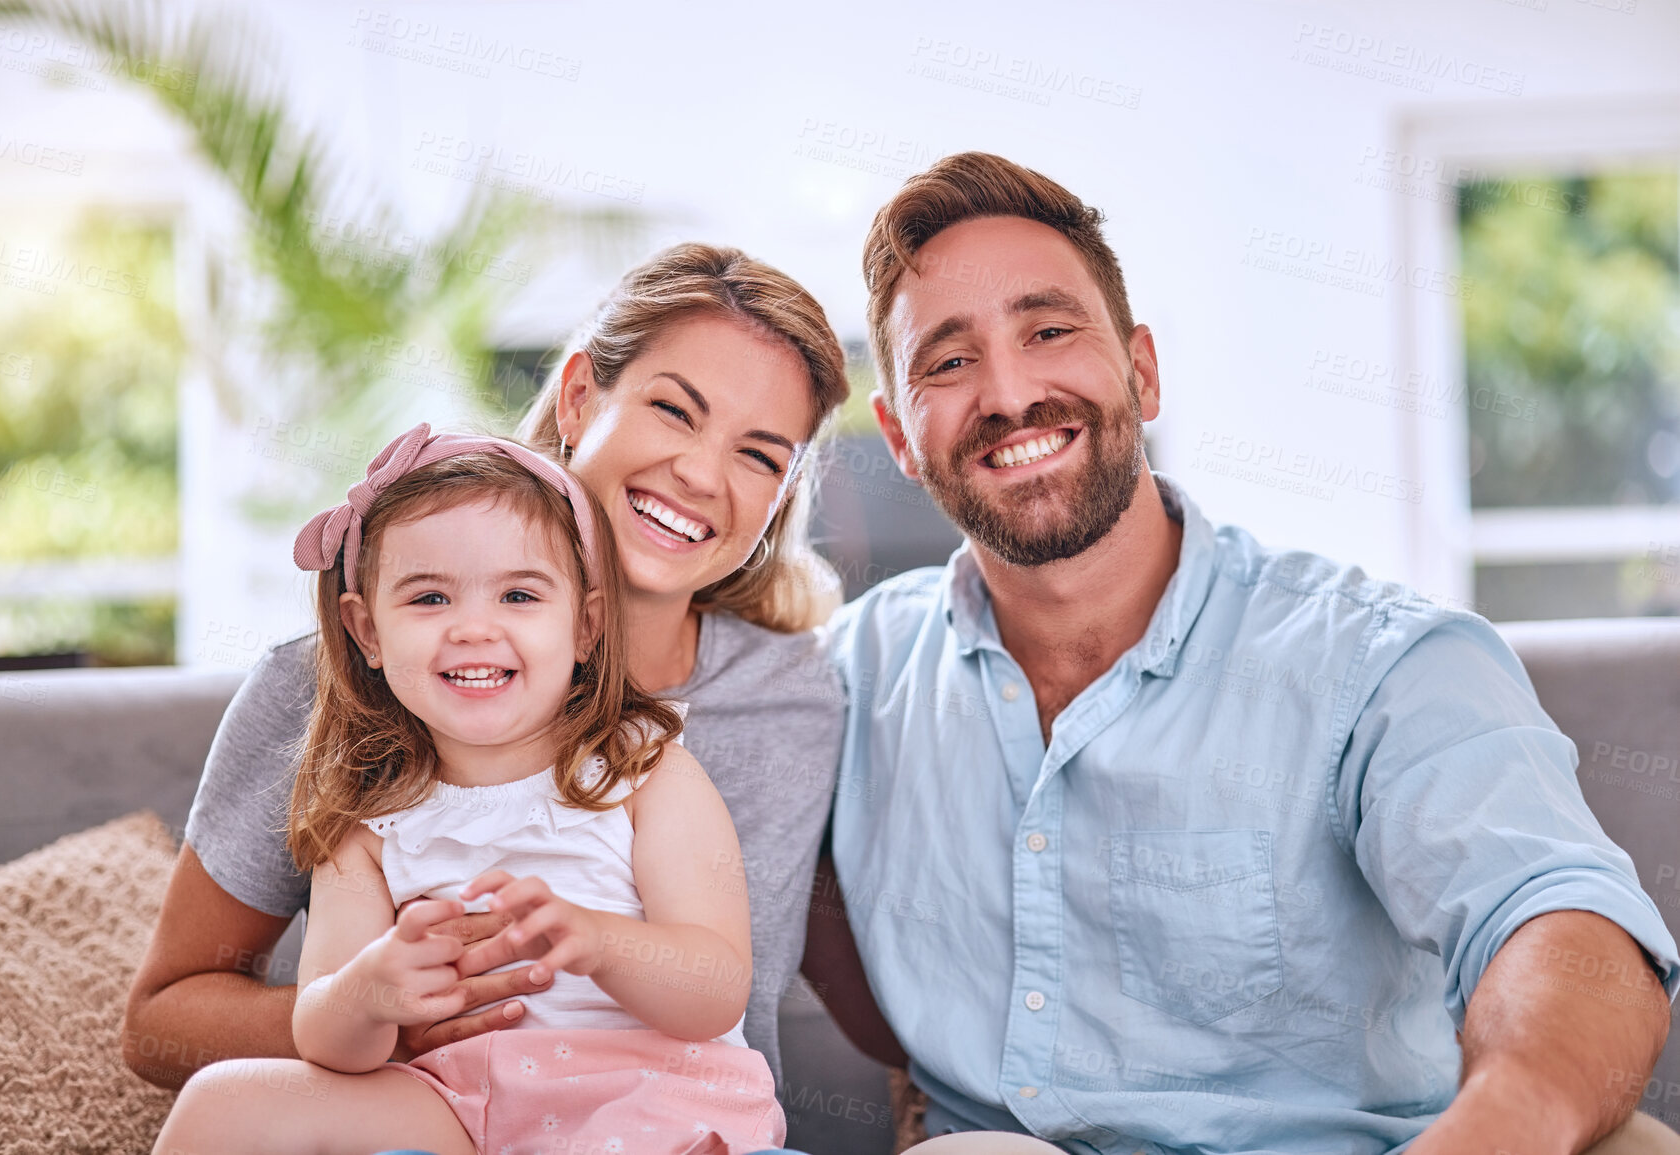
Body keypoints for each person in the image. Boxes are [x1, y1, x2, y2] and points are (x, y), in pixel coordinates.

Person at [804, 152, 1680, 1155]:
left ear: (1142, 370)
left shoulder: (1378, 660)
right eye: (949, 363)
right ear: (900, 436)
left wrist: (1500, 1126)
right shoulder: (848, 677)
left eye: (1050, 331)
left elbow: (1561, 929)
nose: (1009, 392)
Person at [124, 244, 849, 1103]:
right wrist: (380, 1019)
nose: (700, 474)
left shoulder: (796, 696)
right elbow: (161, 1020)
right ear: (580, 396)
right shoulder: (344, 681)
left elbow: (849, 954)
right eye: (673, 410)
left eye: (759, 455)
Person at [154, 427, 787, 1154]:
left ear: (585, 625)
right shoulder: (364, 820)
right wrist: (369, 993)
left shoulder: (642, 773)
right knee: (221, 1104)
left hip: (643, 1098)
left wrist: (598, 941)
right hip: (458, 1108)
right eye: (429, 598)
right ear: (367, 631)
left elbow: (714, 989)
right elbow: (324, 1035)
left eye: (519, 594)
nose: (473, 628)